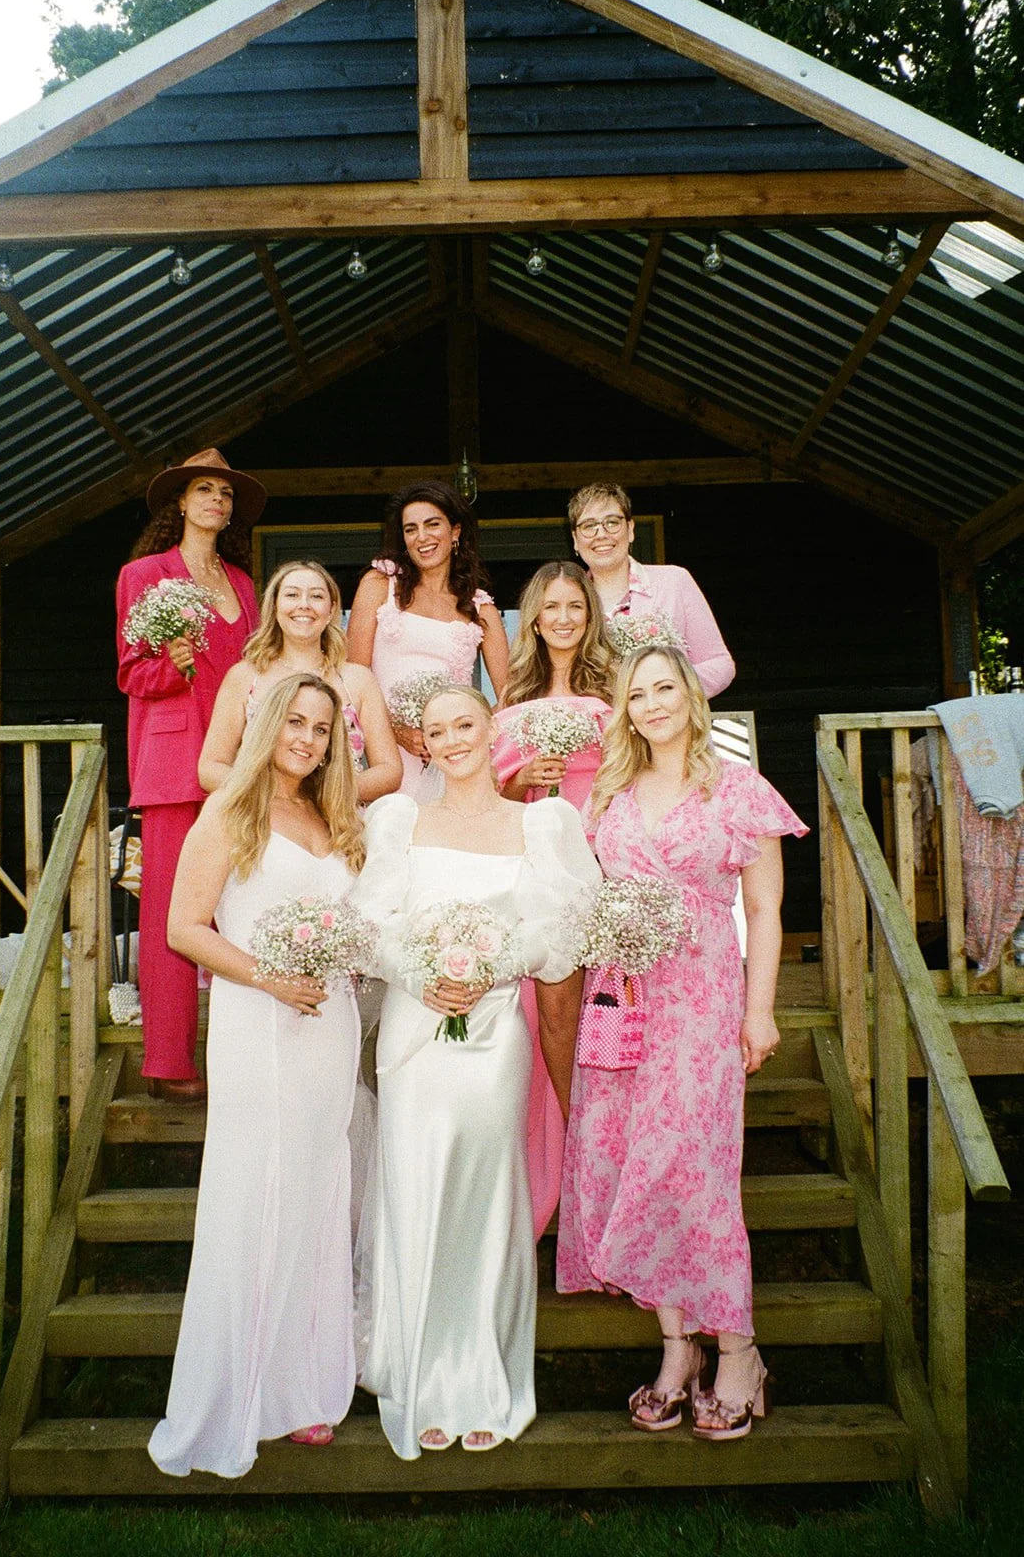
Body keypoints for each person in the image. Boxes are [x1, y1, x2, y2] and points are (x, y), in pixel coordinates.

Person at [556, 645, 807, 1442]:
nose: (652, 704)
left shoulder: (737, 788)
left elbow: (764, 911)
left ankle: (737, 1350)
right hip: (623, 1000)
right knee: (630, 1158)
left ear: (690, 698)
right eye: (638, 695)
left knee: (692, 1170)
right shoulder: (611, 792)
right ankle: (675, 1351)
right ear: (624, 710)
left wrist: (758, 1012)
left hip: (701, 1000)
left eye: (665, 688)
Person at [352, 686, 600, 1459]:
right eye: (437, 731)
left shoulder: (542, 822)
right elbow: (369, 927)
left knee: (486, 1198)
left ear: (493, 731)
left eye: (466, 724)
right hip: (414, 1030)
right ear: (422, 744)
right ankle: (423, 1374)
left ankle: (482, 1374)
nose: (453, 740)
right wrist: (422, 974)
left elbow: (562, 931)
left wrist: (491, 962)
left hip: (494, 1033)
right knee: (417, 1187)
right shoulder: (397, 820)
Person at [148, 674, 366, 1477]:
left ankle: (302, 1389)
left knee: (314, 1192)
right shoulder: (230, 811)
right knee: (257, 1195)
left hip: (329, 1024)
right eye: (294, 723)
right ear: (268, 725)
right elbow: (182, 928)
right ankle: (236, 1397)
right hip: (258, 1023)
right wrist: (268, 977)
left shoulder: (332, 817)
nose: (306, 739)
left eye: (320, 728)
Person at [116, 447, 263, 1103]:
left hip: (239, 766)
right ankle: (168, 1062)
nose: (216, 501)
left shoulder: (244, 583)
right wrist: (171, 662)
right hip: (175, 765)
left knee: (243, 906)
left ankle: (248, 1053)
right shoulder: (143, 574)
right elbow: (130, 673)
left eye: (225, 494)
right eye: (204, 490)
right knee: (173, 914)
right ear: (180, 501)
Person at [490, 561, 616, 1238]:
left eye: (574, 606)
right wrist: (523, 782)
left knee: (607, 1021)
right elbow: (494, 803)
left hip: (603, 864)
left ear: (588, 616)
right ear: (533, 619)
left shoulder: (618, 694)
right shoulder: (511, 701)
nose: (563, 618)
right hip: (536, 876)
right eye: (551, 607)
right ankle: (557, 1174)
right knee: (549, 1022)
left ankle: (604, 1170)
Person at [347, 481, 509, 796]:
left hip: (448, 760)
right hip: (382, 754)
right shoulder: (380, 584)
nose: (422, 537)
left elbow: (509, 694)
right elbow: (354, 677)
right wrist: (394, 731)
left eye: (432, 524)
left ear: (455, 531)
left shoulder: (480, 608)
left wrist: (464, 735)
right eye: (411, 529)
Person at [198, 559, 401, 805]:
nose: (304, 605)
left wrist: (326, 795)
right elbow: (210, 768)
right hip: (264, 821)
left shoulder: (357, 680)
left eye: (316, 596)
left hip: (339, 823)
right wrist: (274, 797)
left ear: (331, 610)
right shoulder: (244, 676)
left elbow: (389, 770)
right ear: (274, 607)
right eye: (292, 595)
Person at [569, 481, 735, 699]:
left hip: (669, 727)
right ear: (575, 540)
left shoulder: (675, 581)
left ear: (630, 530)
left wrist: (668, 689)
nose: (601, 534)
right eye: (589, 526)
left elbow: (721, 665)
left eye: (612, 522)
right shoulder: (570, 601)